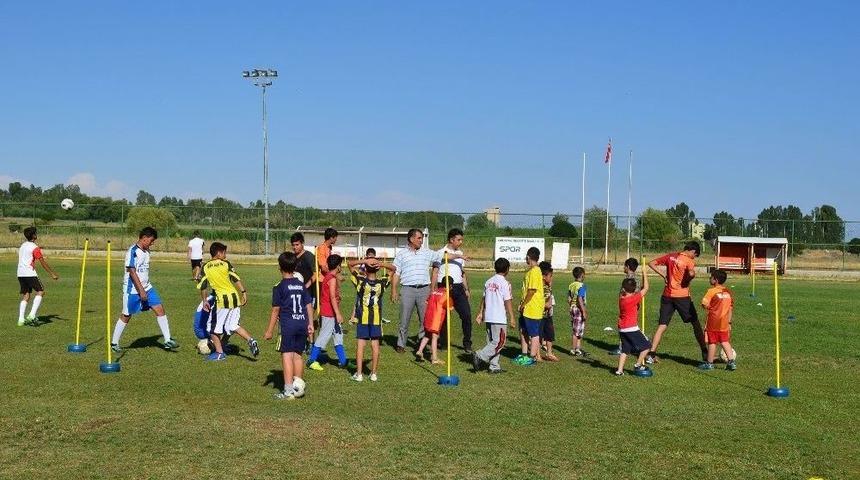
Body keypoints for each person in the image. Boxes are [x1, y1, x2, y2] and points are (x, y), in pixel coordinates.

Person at [111, 227, 178, 352]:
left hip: (148, 287)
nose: (152, 243)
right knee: (126, 315)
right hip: (132, 290)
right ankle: (114, 343)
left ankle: (168, 340)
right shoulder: (133, 251)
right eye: (151, 240)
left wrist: (145, 288)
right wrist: (141, 291)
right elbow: (131, 271)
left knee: (160, 309)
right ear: (144, 238)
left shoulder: (147, 252)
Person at [264, 251, 315, 400]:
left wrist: (269, 330)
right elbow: (308, 305)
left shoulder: (279, 287)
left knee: (287, 355)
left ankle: (288, 391)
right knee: (298, 355)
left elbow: (275, 310)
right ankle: (298, 385)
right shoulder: (300, 285)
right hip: (302, 323)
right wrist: (310, 324)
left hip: (288, 324)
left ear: (280, 267)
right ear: (295, 267)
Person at [646, 241, 707, 364]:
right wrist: (691, 276)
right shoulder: (689, 261)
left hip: (667, 295)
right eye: (695, 255)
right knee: (695, 323)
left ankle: (651, 354)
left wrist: (664, 275)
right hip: (682, 297)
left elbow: (651, 263)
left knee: (662, 325)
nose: (694, 258)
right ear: (693, 251)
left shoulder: (670, 256)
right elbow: (691, 273)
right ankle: (705, 352)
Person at [196, 242, 259, 361]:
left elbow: (203, 285)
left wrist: (204, 301)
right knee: (233, 325)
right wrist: (244, 292)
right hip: (234, 297)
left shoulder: (206, 266)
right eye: (224, 252)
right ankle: (251, 340)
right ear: (219, 253)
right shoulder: (226, 264)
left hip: (222, 300)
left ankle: (219, 353)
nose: (225, 255)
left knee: (212, 328)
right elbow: (235, 278)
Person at [390, 229, 446, 353]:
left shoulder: (426, 252)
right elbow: (396, 273)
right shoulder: (401, 254)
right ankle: (401, 344)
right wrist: (393, 290)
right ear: (411, 239)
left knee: (425, 319)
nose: (421, 241)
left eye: (422, 238)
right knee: (404, 319)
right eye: (419, 238)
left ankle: (422, 343)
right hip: (407, 290)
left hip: (424, 290)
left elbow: (443, 255)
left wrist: (458, 255)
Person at [348, 257, 395, 381]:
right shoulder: (382, 282)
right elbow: (393, 269)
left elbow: (350, 264)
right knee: (375, 345)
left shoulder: (360, 280)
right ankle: (373, 374)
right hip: (376, 318)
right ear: (377, 269)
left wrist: (363, 261)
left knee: (361, 345)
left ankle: (359, 374)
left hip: (362, 317)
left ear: (366, 268)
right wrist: (381, 263)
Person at [430, 228, 473, 353]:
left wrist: (466, 289)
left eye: (461, 240)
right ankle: (443, 342)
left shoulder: (460, 253)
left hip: (458, 288)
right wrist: (432, 289)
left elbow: (462, 273)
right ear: (451, 239)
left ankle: (467, 343)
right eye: (458, 240)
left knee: (466, 315)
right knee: (443, 317)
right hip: (444, 288)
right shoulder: (440, 252)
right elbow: (436, 271)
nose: (461, 242)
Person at [472, 258, 515, 373]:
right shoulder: (505, 283)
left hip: (489, 316)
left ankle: (494, 366)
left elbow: (484, 298)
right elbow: (508, 301)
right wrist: (512, 317)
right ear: (507, 270)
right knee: (499, 342)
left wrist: (481, 313)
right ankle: (479, 355)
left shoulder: (488, 281)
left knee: (492, 341)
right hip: (499, 317)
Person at [307, 254, 348, 370]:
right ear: (338, 266)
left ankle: (343, 361)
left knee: (338, 336)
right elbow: (331, 298)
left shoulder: (328, 276)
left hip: (331, 312)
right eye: (341, 264)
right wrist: (338, 313)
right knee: (324, 336)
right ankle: (311, 361)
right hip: (329, 313)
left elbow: (332, 296)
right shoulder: (332, 278)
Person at [17, 226, 59, 326]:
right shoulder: (35, 248)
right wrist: (52, 274)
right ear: (34, 236)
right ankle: (32, 315)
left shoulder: (22, 245)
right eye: (36, 233)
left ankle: (21, 320)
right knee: (41, 291)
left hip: (20, 273)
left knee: (26, 295)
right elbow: (42, 262)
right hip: (29, 273)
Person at [616, 266, 652, 376]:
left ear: (623, 288)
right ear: (634, 289)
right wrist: (644, 273)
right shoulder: (633, 298)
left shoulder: (621, 298)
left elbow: (632, 290)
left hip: (622, 328)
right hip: (631, 328)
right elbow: (646, 288)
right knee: (647, 346)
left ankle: (620, 370)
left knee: (625, 350)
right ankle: (637, 364)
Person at [698, 269, 737, 371]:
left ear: (715, 280)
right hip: (724, 322)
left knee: (712, 342)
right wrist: (729, 322)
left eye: (711, 277)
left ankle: (709, 364)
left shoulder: (711, 291)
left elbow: (704, 304)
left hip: (713, 322)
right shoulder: (728, 292)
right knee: (725, 341)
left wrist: (710, 307)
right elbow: (730, 308)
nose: (709, 278)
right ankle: (731, 362)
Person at [515, 247, 544, 366]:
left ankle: (532, 357)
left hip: (533, 308)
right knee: (523, 331)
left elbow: (532, 291)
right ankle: (524, 354)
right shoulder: (531, 271)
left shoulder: (535, 271)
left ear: (528, 257)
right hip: (527, 308)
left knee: (534, 333)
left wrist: (523, 304)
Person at [414, 277, 453, 365]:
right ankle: (434, 358)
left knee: (427, 334)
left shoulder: (434, 291)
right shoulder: (446, 295)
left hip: (428, 317)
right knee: (435, 337)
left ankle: (420, 351)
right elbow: (450, 308)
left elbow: (427, 302)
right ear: (450, 286)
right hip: (436, 319)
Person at [610, 258, 638, 355]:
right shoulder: (636, 277)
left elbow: (624, 292)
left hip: (627, 305)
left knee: (623, 325)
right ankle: (630, 346)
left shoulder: (628, 279)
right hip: (633, 305)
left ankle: (623, 347)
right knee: (631, 326)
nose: (623, 267)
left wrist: (621, 301)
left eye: (624, 266)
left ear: (628, 267)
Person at [539, 261, 559, 361]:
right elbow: (542, 302)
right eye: (550, 276)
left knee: (550, 334)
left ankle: (549, 353)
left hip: (548, 315)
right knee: (539, 336)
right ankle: (537, 354)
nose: (551, 278)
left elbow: (550, 300)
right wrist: (547, 305)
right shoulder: (540, 287)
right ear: (544, 276)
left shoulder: (548, 287)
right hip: (540, 315)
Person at [568, 266, 588, 356]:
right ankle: (573, 349)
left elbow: (569, 298)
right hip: (578, 309)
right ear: (582, 275)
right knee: (576, 330)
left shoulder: (571, 285)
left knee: (579, 329)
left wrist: (571, 306)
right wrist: (583, 311)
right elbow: (580, 298)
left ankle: (578, 349)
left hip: (572, 308)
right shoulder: (582, 286)